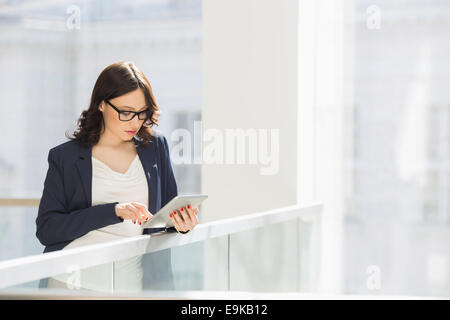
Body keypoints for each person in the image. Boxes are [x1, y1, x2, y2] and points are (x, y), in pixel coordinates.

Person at [35, 61, 199, 292]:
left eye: (142, 113)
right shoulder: (66, 157)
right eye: (125, 112)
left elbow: (164, 216)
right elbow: (48, 229)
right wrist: (112, 211)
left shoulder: (155, 147)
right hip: (70, 284)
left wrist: (182, 224)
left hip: (131, 286)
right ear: (102, 105)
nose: (135, 122)